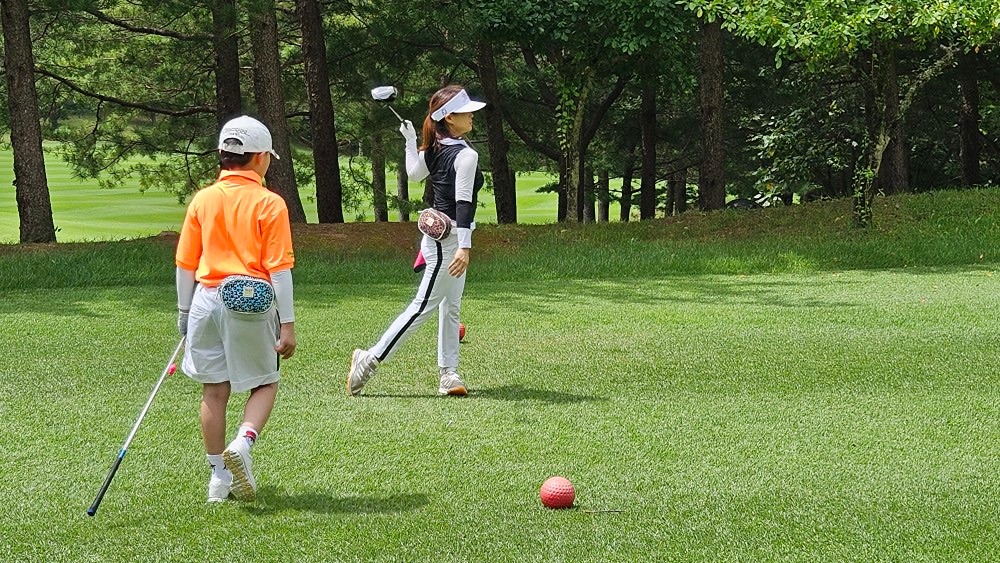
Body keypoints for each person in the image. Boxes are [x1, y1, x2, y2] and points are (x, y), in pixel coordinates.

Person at [175, 115, 297, 503]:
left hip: (205, 300)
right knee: (265, 381)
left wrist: (183, 313)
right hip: (249, 298)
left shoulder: (203, 198)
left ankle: (218, 479)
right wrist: (288, 325)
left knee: (214, 390)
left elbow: (185, 264)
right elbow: (279, 269)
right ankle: (243, 443)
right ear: (259, 157)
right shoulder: (269, 203)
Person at [348, 85, 485, 397]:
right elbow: (464, 204)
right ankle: (368, 359)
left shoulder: (439, 146)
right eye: (466, 112)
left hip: (440, 238)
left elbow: (413, 173)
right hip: (448, 241)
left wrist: (411, 142)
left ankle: (448, 375)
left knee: (451, 307)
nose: (472, 116)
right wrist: (464, 246)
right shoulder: (465, 154)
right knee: (422, 307)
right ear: (449, 117)